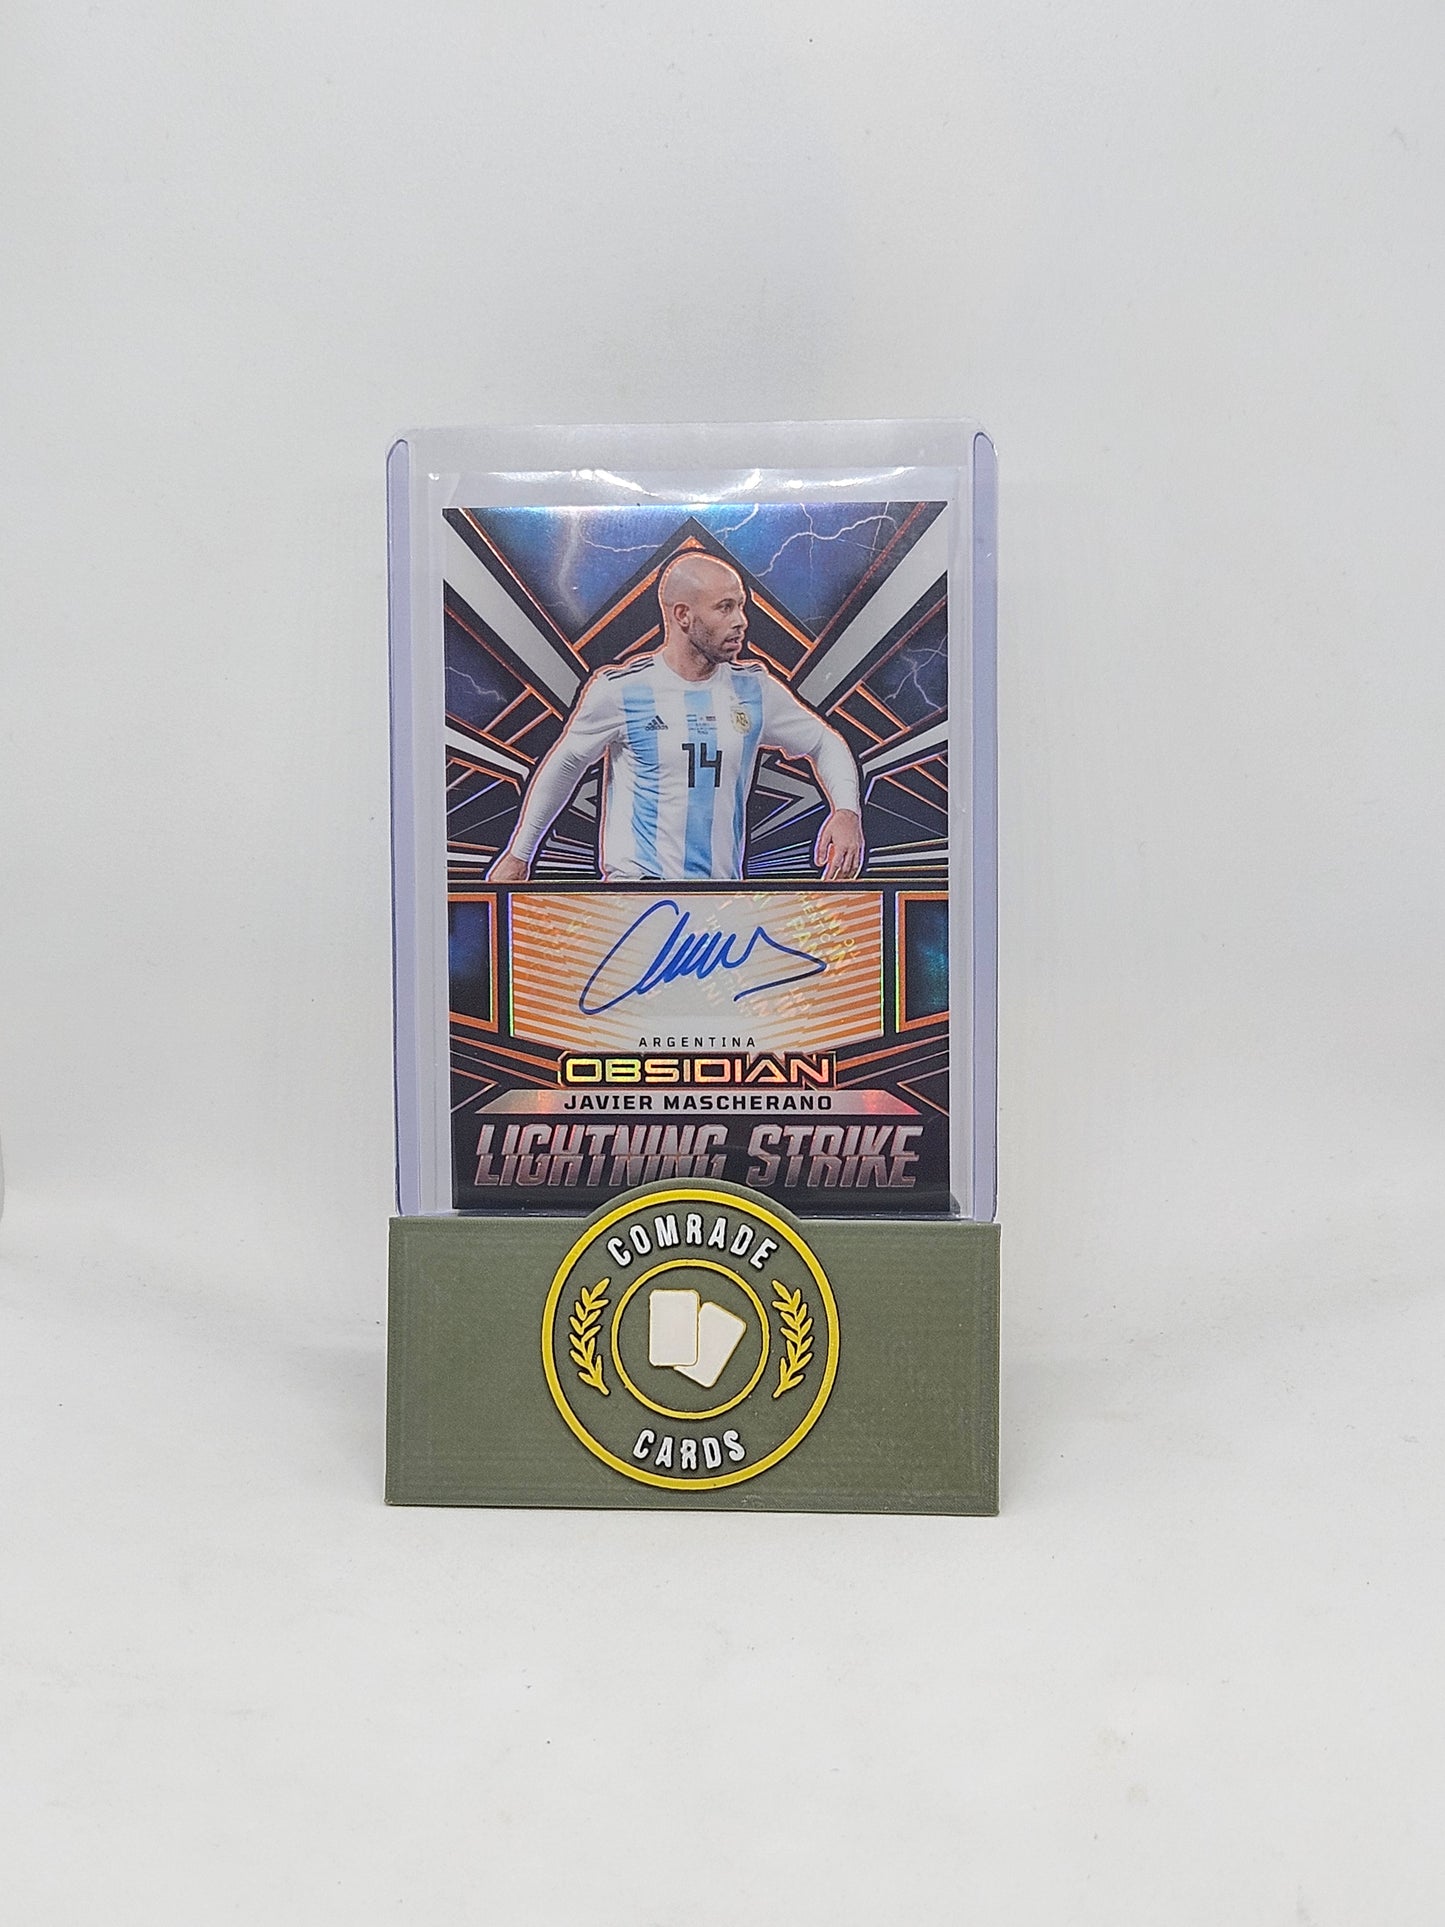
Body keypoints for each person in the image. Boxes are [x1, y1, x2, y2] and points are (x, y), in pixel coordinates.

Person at [488, 552, 866, 883]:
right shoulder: (622, 690)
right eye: (725, 607)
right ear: (683, 615)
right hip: (636, 893)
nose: (741, 621)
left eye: (741, 606)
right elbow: (566, 763)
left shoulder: (754, 690)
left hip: (720, 901)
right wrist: (520, 854)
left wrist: (847, 811)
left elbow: (824, 742)